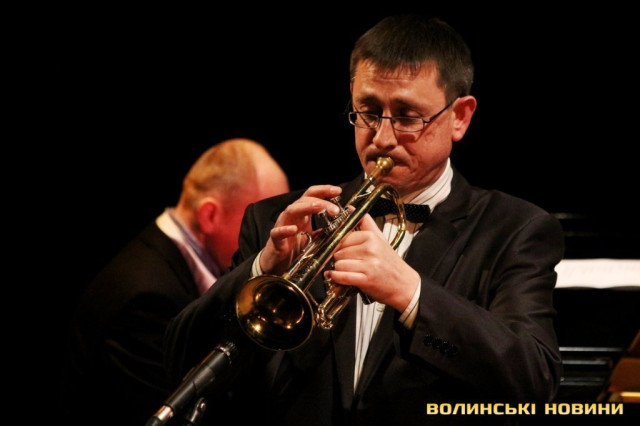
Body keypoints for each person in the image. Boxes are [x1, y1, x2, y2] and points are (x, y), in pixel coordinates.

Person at [163, 15, 564, 426]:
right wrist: (262, 268)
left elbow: (535, 379)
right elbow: (179, 359)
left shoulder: (515, 230)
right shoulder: (276, 219)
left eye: (407, 116)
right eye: (369, 112)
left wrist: (411, 293)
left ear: (459, 116)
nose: (382, 139)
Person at [63, 138, 289, 426]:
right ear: (209, 215)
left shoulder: (167, 265)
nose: (270, 236)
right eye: (260, 221)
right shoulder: (147, 297)